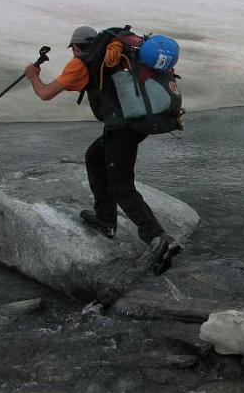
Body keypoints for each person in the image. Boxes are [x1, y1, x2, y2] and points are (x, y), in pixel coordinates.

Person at [24, 25, 181, 275]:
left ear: (76, 47)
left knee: (120, 186)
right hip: (134, 125)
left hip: (123, 128)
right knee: (95, 156)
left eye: (74, 49)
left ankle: (158, 238)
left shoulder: (82, 63)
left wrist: (32, 76)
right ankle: (106, 219)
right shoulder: (117, 55)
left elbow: (45, 94)